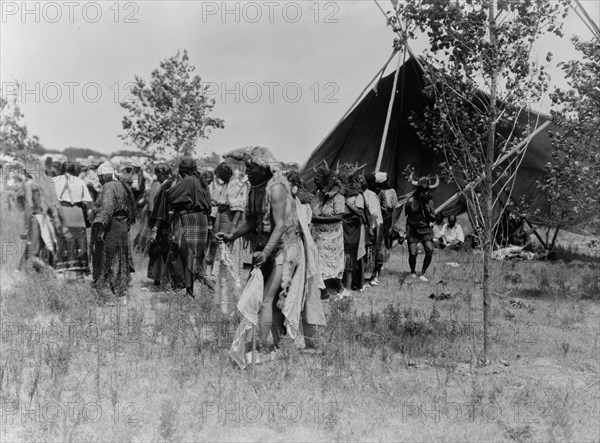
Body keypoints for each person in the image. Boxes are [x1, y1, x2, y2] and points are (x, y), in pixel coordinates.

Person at [217, 147, 326, 357]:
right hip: (267, 249)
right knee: (264, 301)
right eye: (246, 167)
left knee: (267, 300)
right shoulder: (255, 188)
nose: (247, 171)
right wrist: (233, 235)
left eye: (252, 167)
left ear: (264, 168)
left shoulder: (275, 189)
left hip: (285, 249)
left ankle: (260, 349)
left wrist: (266, 252)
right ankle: (279, 346)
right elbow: (253, 222)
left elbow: (281, 226)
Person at [166, 157, 213, 297]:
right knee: (193, 257)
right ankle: (189, 292)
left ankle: (215, 291)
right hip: (202, 220)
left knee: (191, 259)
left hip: (190, 220)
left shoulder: (187, 181)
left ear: (182, 170)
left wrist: (175, 182)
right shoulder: (201, 181)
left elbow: (170, 196)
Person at [91, 162, 136, 306]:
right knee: (120, 260)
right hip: (121, 227)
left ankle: (106, 296)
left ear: (105, 175)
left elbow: (107, 208)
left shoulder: (108, 186)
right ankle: (121, 294)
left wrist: (101, 230)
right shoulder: (122, 186)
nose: (99, 180)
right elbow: (130, 210)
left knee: (106, 260)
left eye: (100, 177)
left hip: (111, 227)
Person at [19, 166, 70, 272]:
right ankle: (53, 269)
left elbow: (30, 206)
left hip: (40, 218)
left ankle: (26, 270)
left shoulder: (32, 185)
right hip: (51, 219)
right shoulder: (51, 185)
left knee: (34, 249)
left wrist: (26, 226)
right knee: (52, 246)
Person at [310, 162, 348, 299]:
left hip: (333, 237)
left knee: (332, 264)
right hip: (318, 236)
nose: (316, 182)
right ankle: (323, 290)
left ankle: (339, 288)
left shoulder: (338, 197)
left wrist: (317, 220)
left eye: (319, 179)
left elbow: (339, 217)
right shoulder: (318, 195)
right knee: (317, 262)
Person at [53, 161, 94, 278]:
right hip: (77, 215)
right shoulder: (80, 181)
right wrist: (90, 215)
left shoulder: (54, 180)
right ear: (74, 170)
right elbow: (89, 202)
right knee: (79, 245)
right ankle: (78, 275)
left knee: (61, 245)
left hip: (61, 215)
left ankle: (60, 275)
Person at [212, 162, 246, 277]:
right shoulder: (227, 183)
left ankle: (228, 276)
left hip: (230, 220)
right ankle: (220, 276)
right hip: (223, 218)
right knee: (221, 246)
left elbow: (238, 209)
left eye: (220, 175)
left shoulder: (235, 184)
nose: (219, 178)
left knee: (228, 246)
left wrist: (233, 228)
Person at [405, 175, 439, 281]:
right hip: (412, 229)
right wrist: (403, 231)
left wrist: (426, 210)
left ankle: (423, 273)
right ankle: (413, 271)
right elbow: (404, 217)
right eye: (422, 190)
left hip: (425, 229)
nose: (424, 192)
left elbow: (433, 219)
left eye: (426, 190)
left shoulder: (430, 202)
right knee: (413, 253)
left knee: (429, 249)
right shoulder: (410, 202)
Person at [340, 164, 368, 292]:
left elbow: (360, 212)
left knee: (354, 256)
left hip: (354, 228)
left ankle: (353, 285)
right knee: (343, 256)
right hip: (342, 226)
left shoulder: (358, 196)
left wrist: (346, 203)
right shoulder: (340, 194)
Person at [146, 164, 174, 289]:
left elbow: (161, 210)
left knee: (160, 251)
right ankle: (161, 280)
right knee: (161, 251)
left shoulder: (166, 185)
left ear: (162, 174)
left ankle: (162, 281)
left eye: (158, 175)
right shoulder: (170, 183)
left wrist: (155, 227)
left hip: (163, 224)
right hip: (167, 223)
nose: (157, 178)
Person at [364, 173, 384, 286]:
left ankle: (372, 275)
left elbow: (375, 214)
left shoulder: (371, 195)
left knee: (373, 251)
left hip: (374, 225)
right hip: (370, 225)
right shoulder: (365, 194)